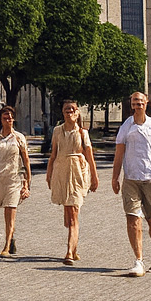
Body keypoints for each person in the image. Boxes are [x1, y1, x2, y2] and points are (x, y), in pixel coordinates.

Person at [112, 91, 151, 276]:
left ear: (146, 103)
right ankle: (138, 261)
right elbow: (119, 154)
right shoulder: (126, 126)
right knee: (132, 218)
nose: (138, 104)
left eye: (141, 101)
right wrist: (115, 177)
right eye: (135, 102)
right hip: (131, 178)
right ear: (131, 104)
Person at [47, 98, 99, 265]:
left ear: (77, 113)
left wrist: (94, 176)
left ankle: (69, 252)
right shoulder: (57, 131)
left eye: (72, 109)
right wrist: (49, 174)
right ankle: (74, 248)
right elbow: (53, 154)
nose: (69, 112)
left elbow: (90, 156)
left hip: (78, 172)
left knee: (74, 211)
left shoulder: (83, 133)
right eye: (66, 110)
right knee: (68, 213)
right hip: (61, 171)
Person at [0, 106, 31, 256]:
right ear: (1, 121)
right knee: (6, 210)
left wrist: (27, 181)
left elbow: (26, 160)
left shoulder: (19, 138)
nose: (8, 120)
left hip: (15, 178)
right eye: (5, 118)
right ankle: (12, 237)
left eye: (10, 117)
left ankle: (7, 245)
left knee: (11, 208)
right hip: (0, 178)